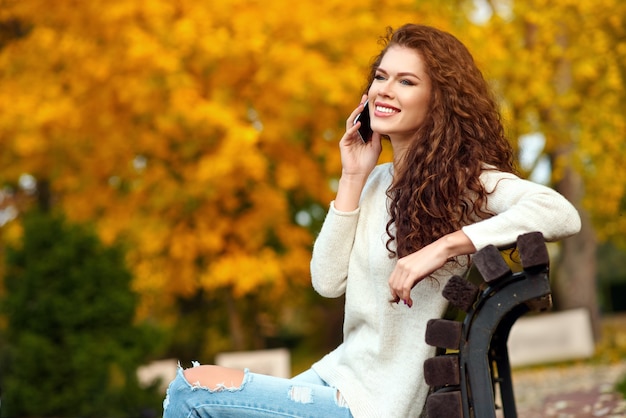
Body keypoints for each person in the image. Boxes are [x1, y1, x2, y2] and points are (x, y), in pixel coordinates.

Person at [162, 23, 581, 418]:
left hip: (369, 404)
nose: (385, 90)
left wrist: (443, 247)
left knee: (193, 390)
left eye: (407, 81)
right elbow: (326, 282)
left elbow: (559, 213)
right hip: (333, 378)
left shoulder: (465, 181)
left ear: (440, 100)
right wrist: (352, 175)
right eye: (381, 77)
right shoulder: (375, 180)